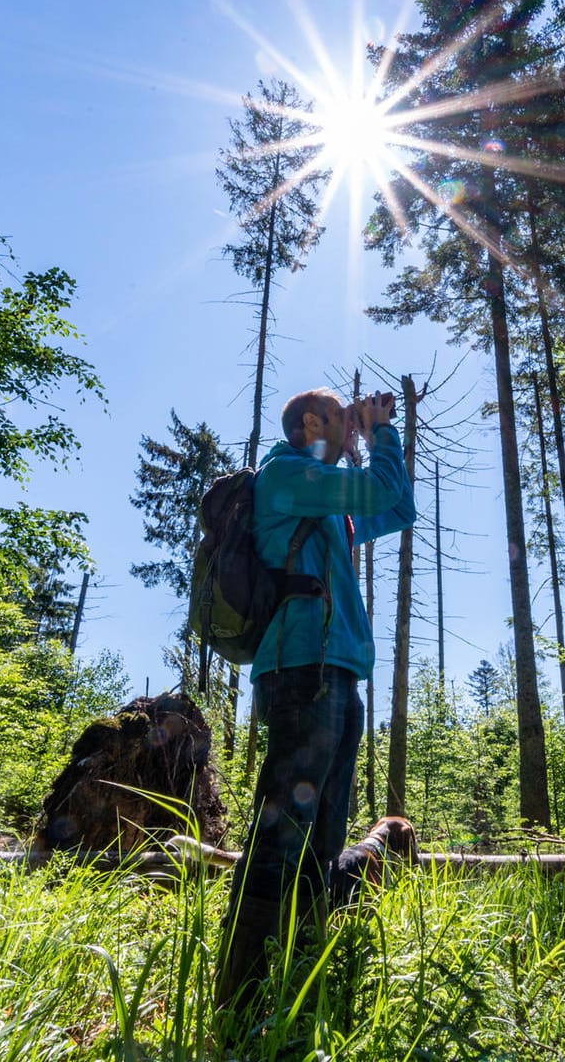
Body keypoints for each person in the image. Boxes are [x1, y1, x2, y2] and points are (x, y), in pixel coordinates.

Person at [214, 385, 416, 1028]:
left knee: (323, 840)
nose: (351, 426)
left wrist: (377, 439)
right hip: (304, 672)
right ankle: (236, 1001)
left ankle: (300, 978)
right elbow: (378, 489)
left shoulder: (326, 502)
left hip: (338, 674)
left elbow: (399, 507)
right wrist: (379, 431)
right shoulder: (287, 474)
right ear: (309, 423)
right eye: (339, 417)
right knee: (282, 836)